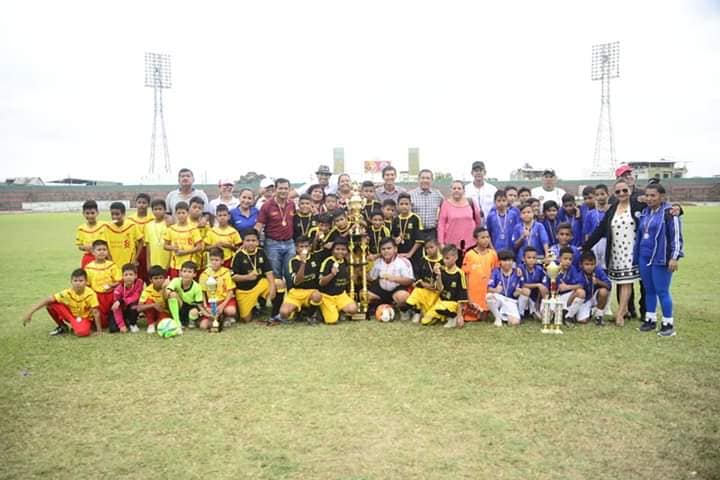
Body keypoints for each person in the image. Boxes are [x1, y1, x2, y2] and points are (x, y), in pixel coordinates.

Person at [583, 178, 643, 326]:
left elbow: (658, 204)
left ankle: (620, 314)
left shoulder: (637, 204)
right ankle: (624, 310)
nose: (621, 193)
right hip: (615, 250)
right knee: (619, 280)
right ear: (614, 194)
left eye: (624, 190)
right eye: (618, 191)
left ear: (630, 190)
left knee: (626, 281)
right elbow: (600, 230)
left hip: (631, 250)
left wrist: (676, 208)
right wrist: (585, 247)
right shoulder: (613, 208)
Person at [637, 183, 684, 337]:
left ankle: (668, 324)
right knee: (649, 290)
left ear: (662, 197)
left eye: (653, 195)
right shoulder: (645, 212)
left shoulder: (670, 213)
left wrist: (674, 257)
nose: (649, 198)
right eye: (647, 195)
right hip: (644, 256)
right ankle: (650, 320)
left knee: (662, 291)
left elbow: (676, 237)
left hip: (661, 258)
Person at [22, 268, 101, 337]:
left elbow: (96, 312)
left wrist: (99, 330)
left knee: (81, 332)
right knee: (50, 304)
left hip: (84, 318)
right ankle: (62, 326)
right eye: (75, 280)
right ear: (71, 282)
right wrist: (30, 312)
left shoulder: (91, 293)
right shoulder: (68, 292)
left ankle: (78, 326)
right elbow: (48, 299)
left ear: (86, 282)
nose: (78, 283)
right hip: (71, 316)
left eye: (81, 281)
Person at [257, 178, 296, 286]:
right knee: (276, 275)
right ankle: (278, 297)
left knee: (290, 273)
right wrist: (251, 239)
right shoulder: (267, 205)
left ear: (289, 189)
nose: (283, 191)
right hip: (272, 244)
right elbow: (259, 225)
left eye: (286, 188)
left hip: (289, 243)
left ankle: (291, 295)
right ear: (275, 189)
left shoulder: (292, 204)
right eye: (280, 188)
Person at [231, 229, 277, 322]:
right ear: (243, 242)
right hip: (245, 290)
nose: (251, 243)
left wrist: (272, 287)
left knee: (279, 283)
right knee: (246, 319)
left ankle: (276, 313)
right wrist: (247, 277)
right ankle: (253, 308)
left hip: (260, 285)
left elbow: (269, 272)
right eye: (248, 240)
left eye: (253, 240)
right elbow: (234, 277)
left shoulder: (261, 252)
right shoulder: (238, 255)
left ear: (258, 242)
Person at [275, 236, 323, 324]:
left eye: (306, 246)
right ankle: (297, 312)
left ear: (310, 247)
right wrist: (303, 262)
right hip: (296, 292)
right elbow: (297, 282)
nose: (304, 249)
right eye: (301, 247)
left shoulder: (315, 257)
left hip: (310, 291)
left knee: (317, 296)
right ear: (296, 248)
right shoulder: (293, 261)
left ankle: (310, 315)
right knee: (284, 313)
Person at [421, 244, 468, 328]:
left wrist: (460, 315)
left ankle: (453, 317)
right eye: (443, 258)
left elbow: (462, 295)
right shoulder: (441, 270)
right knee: (425, 321)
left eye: (447, 258)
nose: (445, 261)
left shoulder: (460, 274)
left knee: (443, 308)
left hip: (453, 303)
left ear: (456, 257)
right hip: (441, 302)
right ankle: (443, 316)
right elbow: (440, 289)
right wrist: (438, 276)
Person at [368, 238, 414, 314]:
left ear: (395, 249)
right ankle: (383, 306)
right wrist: (361, 271)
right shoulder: (377, 262)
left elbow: (410, 280)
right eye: (383, 249)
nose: (386, 251)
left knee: (402, 297)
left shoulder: (403, 261)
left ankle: (401, 309)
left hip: (397, 289)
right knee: (365, 295)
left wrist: (393, 278)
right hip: (381, 289)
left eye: (389, 248)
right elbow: (371, 278)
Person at [437, 180, 482, 259]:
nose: (456, 190)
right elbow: (441, 224)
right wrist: (441, 243)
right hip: (452, 246)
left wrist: (479, 238)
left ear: (463, 190)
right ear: (451, 190)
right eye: (454, 188)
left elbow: (478, 222)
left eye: (459, 188)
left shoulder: (471, 202)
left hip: (471, 243)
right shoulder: (445, 204)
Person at [462, 227, 498, 322]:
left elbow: (496, 272)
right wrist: (468, 297)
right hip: (473, 292)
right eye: (483, 237)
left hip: (486, 291)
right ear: (476, 239)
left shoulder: (493, 254)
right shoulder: (469, 255)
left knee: (484, 317)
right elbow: (465, 276)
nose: (486, 240)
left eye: (488, 237)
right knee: (471, 317)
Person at [318, 240, 358, 324]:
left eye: (343, 249)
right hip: (327, 296)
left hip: (340, 295)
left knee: (353, 309)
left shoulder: (345, 261)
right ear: (332, 250)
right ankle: (321, 310)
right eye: (337, 249)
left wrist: (350, 277)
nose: (340, 251)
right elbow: (321, 282)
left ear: (347, 251)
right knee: (332, 321)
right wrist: (332, 274)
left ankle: (339, 310)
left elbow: (343, 276)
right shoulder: (328, 262)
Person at [84, 239, 121, 329]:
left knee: (114, 321)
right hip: (97, 296)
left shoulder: (111, 265)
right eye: (99, 250)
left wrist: (112, 285)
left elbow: (119, 281)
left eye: (104, 249)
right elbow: (87, 286)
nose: (102, 252)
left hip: (111, 295)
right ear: (93, 252)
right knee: (102, 323)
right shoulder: (88, 268)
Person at [404, 239, 443, 323]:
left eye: (431, 247)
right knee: (417, 291)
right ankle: (417, 312)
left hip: (438, 292)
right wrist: (423, 284)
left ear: (438, 246)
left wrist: (436, 285)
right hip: (425, 289)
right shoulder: (422, 260)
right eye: (427, 248)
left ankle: (433, 314)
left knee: (427, 320)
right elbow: (417, 275)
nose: (429, 250)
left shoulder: (443, 261)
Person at [163, 202, 204, 278]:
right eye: (179, 213)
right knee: (176, 284)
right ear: (175, 214)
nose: (181, 215)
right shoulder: (171, 229)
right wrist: (173, 248)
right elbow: (165, 246)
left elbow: (199, 247)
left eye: (183, 213)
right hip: (175, 264)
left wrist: (184, 252)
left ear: (188, 213)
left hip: (189, 265)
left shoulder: (193, 229)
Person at [199, 248, 237, 329]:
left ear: (222, 261)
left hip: (224, 300)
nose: (214, 262)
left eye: (216, 260)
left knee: (231, 311)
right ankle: (217, 318)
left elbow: (230, 291)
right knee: (203, 326)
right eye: (212, 260)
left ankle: (227, 317)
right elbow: (202, 292)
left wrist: (222, 305)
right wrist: (206, 306)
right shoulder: (204, 274)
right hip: (211, 302)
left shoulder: (226, 272)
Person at [486, 249, 526, 327]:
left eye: (509, 260)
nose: (507, 263)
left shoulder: (517, 273)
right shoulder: (495, 272)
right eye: (504, 260)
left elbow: (515, 294)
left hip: (511, 301)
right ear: (500, 262)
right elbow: (489, 289)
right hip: (499, 298)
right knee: (489, 296)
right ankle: (498, 318)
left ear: (513, 261)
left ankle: (504, 315)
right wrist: (495, 290)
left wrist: (518, 292)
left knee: (514, 323)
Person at [166, 261, 209, 331]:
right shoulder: (176, 281)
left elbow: (200, 306)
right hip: (180, 305)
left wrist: (208, 315)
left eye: (189, 272)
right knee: (172, 294)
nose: (186, 274)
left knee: (194, 311)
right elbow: (168, 292)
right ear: (180, 273)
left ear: (194, 274)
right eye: (184, 271)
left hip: (191, 307)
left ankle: (191, 322)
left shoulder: (197, 287)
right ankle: (177, 322)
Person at [575, 251, 611, 325]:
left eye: (592, 264)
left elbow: (609, 285)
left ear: (595, 264)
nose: (589, 267)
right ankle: (591, 311)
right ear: (581, 265)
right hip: (584, 300)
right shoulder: (579, 273)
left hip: (595, 297)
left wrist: (598, 282)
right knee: (583, 321)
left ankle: (599, 316)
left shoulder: (598, 270)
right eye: (587, 264)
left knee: (604, 291)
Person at [106, 202, 144, 268]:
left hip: (129, 264)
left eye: (117, 214)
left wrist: (135, 258)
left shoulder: (132, 226)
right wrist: (110, 260)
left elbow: (141, 241)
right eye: (112, 214)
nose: (114, 217)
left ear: (124, 214)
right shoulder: (107, 227)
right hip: (113, 264)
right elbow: (105, 244)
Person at [409, 169, 444, 241]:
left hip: (432, 232)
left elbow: (445, 209)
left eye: (428, 178)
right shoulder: (410, 195)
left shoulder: (438, 194)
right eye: (423, 178)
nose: (425, 180)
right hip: (415, 232)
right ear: (418, 179)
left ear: (432, 180)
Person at [555, 247, 586, 325]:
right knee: (545, 317)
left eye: (570, 259)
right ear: (559, 258)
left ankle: (568, 316)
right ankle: (560, 313)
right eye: (565, 259)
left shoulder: (573, 269)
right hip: (554, 298)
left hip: (567, 298)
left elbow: (581, 285)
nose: (568, 261)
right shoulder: (553, 268)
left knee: (581, 292)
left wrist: (567, 287)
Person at [110, 263, 144, 333]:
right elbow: (116, 308)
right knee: (113, 329)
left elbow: (136, 296)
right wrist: (121, 325)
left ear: (136, 276)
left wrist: (121, 301)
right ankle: (125, 322)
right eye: (126, 275)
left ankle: (133, 324)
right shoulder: (118, 290)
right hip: (122, 310)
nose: (128, 277)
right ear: (122, 276)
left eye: (131, 274)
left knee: (133, 306)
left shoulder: (139, 283)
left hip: (133, 307)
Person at [583, 184, 610, 269]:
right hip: (595, 243)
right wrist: (587, 249)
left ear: (608, 195)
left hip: (609, 242)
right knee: (596, 267)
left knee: (608, 266)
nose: (600, 197)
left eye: (602, 194)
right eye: (597, 195)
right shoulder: (590, 214)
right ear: (595, 197)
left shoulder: (612, 211)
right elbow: (587, 234)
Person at [517, 247, 548, 319]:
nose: (531, 260)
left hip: (534, 298)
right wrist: (537, 285)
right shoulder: (520, 268)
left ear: (536, 259)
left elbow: (544, 287)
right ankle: (520, 314)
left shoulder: (540, 270)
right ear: (523, 259)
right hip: (521, 295)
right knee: (526, 290)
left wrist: (538, 301)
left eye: (534, 258)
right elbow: (522, 285)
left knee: (544, 289)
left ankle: (539, 309)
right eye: (529, 258)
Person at [392, 193, 424, 264]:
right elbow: (393, 236)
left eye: (406, 204)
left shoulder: (415, 218)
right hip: (399, 254)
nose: (404, 206)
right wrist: (395, 239)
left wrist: (410, 253)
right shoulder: (395, 220)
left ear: (410, 205)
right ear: (397, 206)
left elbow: (419, 240)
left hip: (414, 254)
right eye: (401, 204)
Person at [137, 265, 169, 334]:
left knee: (164, 323)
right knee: (149, 301)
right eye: (156, 278)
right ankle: (151, 324)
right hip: (151, 312)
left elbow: (169, 303)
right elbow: (139, 308)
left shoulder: (168, 287)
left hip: (163, 311)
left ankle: (156, 322)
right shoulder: (147, 290)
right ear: (151, 280)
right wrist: (153, 305)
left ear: (164, 278)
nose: (159, 280)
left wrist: (164, 290)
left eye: (161, 278)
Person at [128, 193, 152, 282]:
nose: (141, 205)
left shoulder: (152, 218)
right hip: (136, 249)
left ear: (148, 204)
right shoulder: (130, 219)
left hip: (149, 249)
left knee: (149, 273)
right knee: (137, 275)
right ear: (136, 203)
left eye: (144, 203)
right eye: (139, 202)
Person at [76, 200, 107, 268]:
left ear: (97, 212)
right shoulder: (81, 228)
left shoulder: (104, 225)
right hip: (88, 257)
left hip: (103, 257)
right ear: (83, 213)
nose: (90, 216)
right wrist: (85, 247)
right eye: (87, 213)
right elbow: (79, 245)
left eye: (92, 213)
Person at [144, 199, 171, 271]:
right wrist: (148, 263)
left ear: (165, 210)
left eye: (160, 209)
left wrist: (169, 263)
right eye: (155, 209)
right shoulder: (148, 225)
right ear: (152, 210)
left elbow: (171, 244)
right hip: (153, 262)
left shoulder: (169, 225)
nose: (158, 211)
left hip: (166, 261)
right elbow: (148, 246)